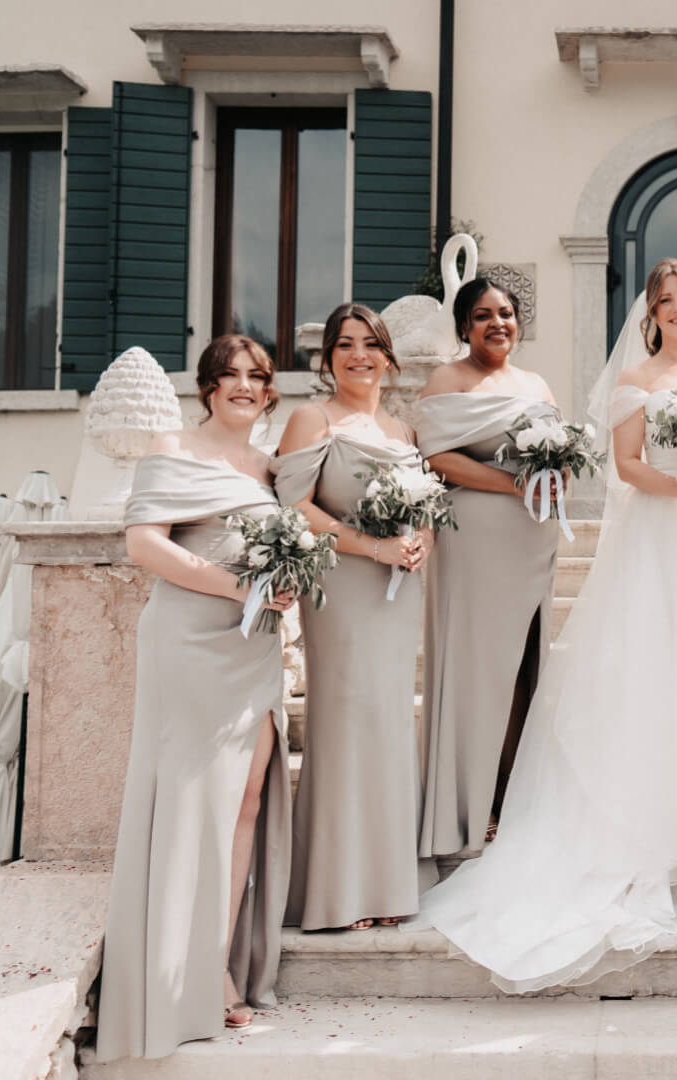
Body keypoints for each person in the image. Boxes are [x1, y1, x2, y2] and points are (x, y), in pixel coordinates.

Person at [415, 258, 677, 993]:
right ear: (651, 311)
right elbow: (627, 464)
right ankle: (659, 815)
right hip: (659, 535)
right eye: (667, 299)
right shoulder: (635, 380)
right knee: (658, 669)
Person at [96, 335, 292, 1060]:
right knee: (187, 803)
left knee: (245, 800)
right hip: (187, 641)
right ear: (208, 386)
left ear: (269, 391)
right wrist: (239, 587)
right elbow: (144, 545)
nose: (243, 385)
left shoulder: (272, 468)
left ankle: (213, 958)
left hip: (253, 646)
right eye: (229, 375)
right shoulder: (172, 448)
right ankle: (181, 974)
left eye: (256, 376)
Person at [276, 303, 430, 932]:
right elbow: (295, 506)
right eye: (345, 344)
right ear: (328, 358)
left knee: (388, 727)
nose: (359, 355)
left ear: (388, 358)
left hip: (398, 593)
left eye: (370, 344)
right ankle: (336, 892)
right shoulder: (311, 419)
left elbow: (424, 508)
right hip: (340, 589)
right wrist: (372, 547)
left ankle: (388, 886)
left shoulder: (403, 432)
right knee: (343, 724)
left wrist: (418, 542)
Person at [413, 279, 561, 856]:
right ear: (463, 327)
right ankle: (471, 805)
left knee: (524, 668)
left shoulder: (537, 384)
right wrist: (512, 483)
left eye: (505, 313)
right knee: (478, 671)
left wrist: (555, 477)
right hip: (474, 543)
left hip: (532, 541)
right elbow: (435, 458)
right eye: (482, 315)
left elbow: (555, 456)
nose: (497, 323)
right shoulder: (446, 380)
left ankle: (513, 797)